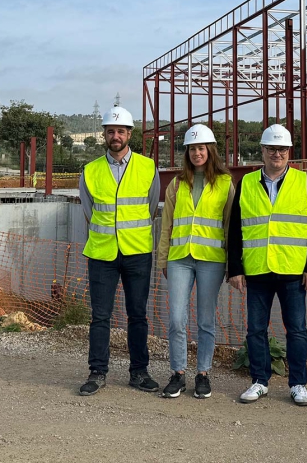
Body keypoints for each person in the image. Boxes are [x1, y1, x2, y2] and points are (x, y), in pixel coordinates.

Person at [227, 124, 307, 407]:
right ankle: (259, 380)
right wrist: (235, 268)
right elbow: (235, 229)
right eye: (271, 149)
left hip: (293, 270)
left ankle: (298, 384)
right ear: (263, 151)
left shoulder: (304, 182)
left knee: (296, 329)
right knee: (256, 329)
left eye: (282, 149)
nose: (277, 154)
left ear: (288, 152)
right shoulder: (246, 182)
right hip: (257, 269)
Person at [78, 106, 161, 396]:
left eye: (121, 131)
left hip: (137, 252)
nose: (116, 136)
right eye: (111, 131)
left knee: (137, 314)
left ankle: (139, 372)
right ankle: (97, 372)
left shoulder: (148, 167)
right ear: (104, 135)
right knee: (100, 316)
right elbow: (89, 212)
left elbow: (150, 210)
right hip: (102, 254)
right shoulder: (90, 170)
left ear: (129, 134)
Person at [156, 124, 235, 399]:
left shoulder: (225, 183)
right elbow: (166, 224)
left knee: (205, 320)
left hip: (211, 260)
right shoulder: (177, 184)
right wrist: (162, 258)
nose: (197, 153)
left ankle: (203, 373)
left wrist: (231, 264)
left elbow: (229, 225)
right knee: (177, 319)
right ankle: (178, 373)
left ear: (210, 150)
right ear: (186, 152)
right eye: (192, 149)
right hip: (179, 259)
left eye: (201, 148)